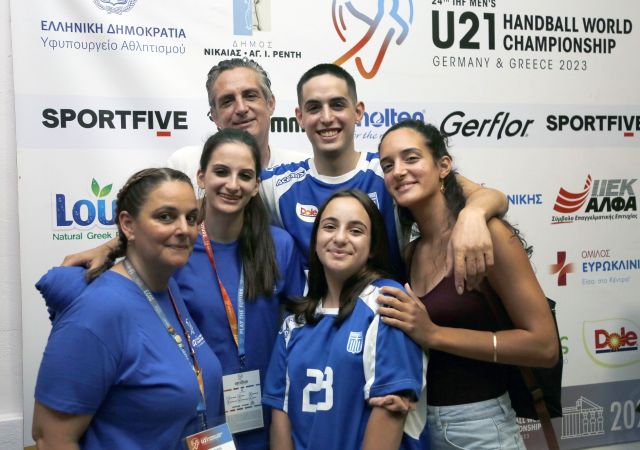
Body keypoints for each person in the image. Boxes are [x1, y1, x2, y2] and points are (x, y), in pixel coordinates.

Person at [376, 120, 559, 449]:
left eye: (411, 158)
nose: (398, 171)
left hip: (481, 428)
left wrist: (434, 334)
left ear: (443, 166)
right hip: (420, 428)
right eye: (388, 165)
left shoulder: (489, 236)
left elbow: (544, 347)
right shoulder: (411, 253)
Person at [260, 63, 509, 288]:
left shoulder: (390, 172)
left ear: (358, 111)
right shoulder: (277, 184)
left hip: (387, 319)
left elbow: (492, 196)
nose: (326, 118)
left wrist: (473, 215)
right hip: (312, 322)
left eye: (337, 105)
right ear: (300, 117)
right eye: (314, 108)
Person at [32, 168, 225, 449]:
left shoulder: (167, 287)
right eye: (166, 216)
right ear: (128, 225)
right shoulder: (97, 311)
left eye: (191, 218)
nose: (184, 229)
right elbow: (51, 439)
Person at [263, 189, 427, 450]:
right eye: (329, 227)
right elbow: (280, 418)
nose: (340, 238)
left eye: (356, 230)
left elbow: (390, 414)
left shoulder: (387, 304)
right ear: (315, 240)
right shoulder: (293, 324)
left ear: (372, 247)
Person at [173, 128, 306, 450]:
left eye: (245, 175)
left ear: (256, 185)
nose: (233, 185)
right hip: (200, 421)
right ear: (201, 177)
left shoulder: (280, 246)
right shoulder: (177, 250)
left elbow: (297, 335)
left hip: (269, 414)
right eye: (221, 172)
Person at [167, 58, 305, 188]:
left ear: (270, 104)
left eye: (250, 96)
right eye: (227, 101)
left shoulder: (301, 170)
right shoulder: (185, 165)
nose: (241, 108)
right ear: (214, 116)